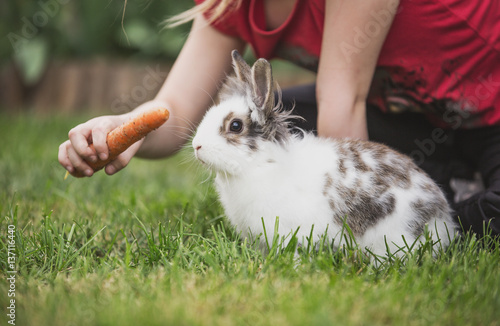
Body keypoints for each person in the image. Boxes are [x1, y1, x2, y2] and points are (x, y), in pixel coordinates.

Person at [58, 0, 500, 237]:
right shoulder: (229, 3)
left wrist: (343, 232)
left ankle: (437, 214)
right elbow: (177, 113)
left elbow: (341, 104)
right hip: (413, 120)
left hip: (490, 115)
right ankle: (455, 180)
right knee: (270, 124)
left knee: (478, 221)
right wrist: (122, 129)